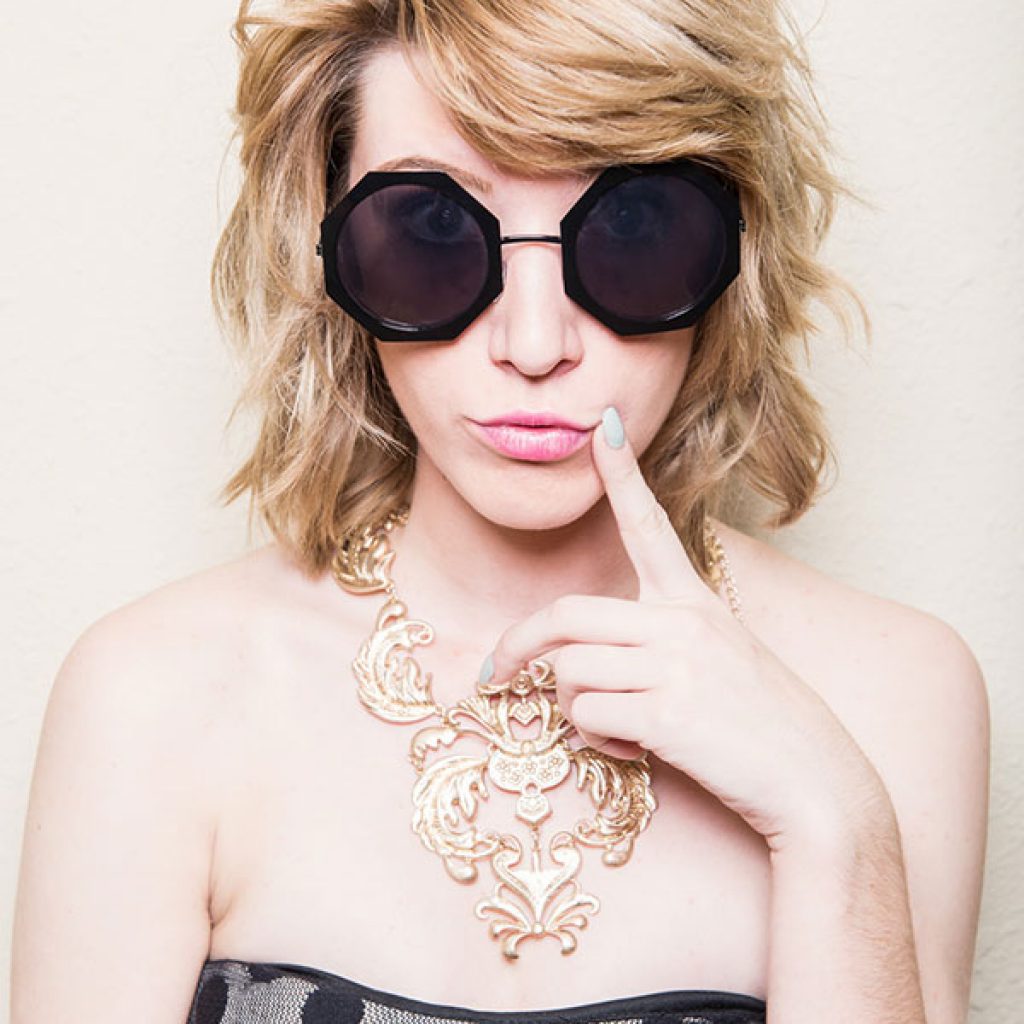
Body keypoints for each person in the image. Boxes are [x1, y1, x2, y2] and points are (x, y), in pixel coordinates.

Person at [11, 0, 989, 1022]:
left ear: (735, 251)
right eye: (431, 227)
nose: (533, 343)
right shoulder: (152, 696)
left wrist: (832, 821)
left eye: (632, 226)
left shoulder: (891, 695)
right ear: (324, 254)